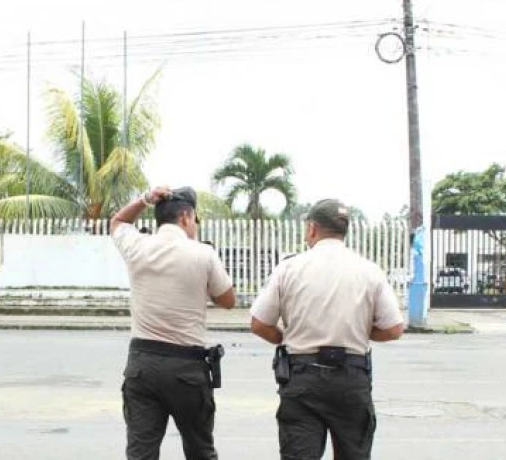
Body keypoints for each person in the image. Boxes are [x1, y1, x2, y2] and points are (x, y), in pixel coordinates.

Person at [249, 198, 404, 460]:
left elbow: (259, 324)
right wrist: (361, 330)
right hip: (351, 377)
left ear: (311, 229)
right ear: (344, 230)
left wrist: (287, 337)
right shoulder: (369, 270)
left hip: (302, 376)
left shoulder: (289, 268)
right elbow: (393, 329)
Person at [110, 185, 237, 460]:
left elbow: (118, 221)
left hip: (142, 366)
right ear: (185, 217)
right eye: (195, 221)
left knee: (141, 453)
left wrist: (144, 199)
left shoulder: (138, 246)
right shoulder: (203, 254)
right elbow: (228, 300)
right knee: (200, 450)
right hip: (187, 369)